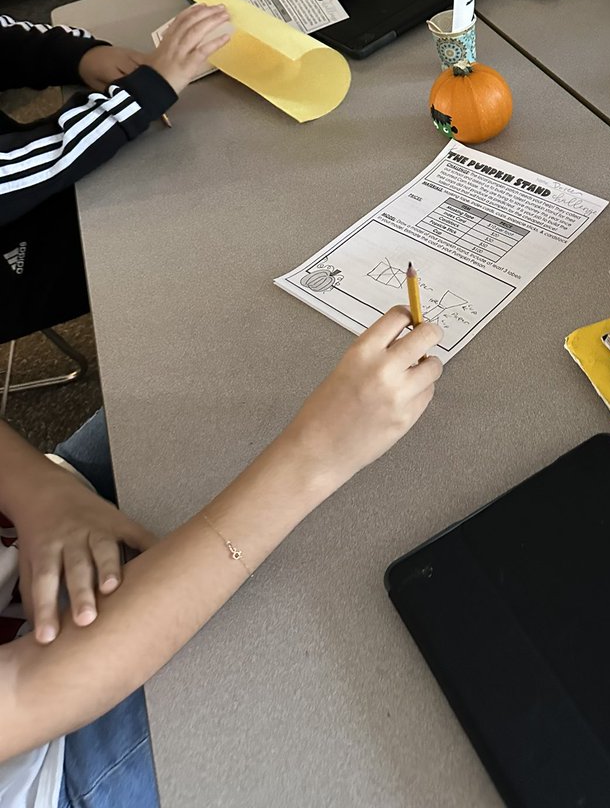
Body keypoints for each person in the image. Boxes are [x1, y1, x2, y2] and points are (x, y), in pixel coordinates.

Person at [0, 305, 443, 806]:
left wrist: (40, 490)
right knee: (370, 627)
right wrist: (312, 458)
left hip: (35, 521)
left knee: (249, 366)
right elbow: (32, 690)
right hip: (54, 745)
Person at [0, 3, 232, 342]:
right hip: (21, 264)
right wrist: (141, 96)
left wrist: (79, 56)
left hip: (36, 176)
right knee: (198, 238)